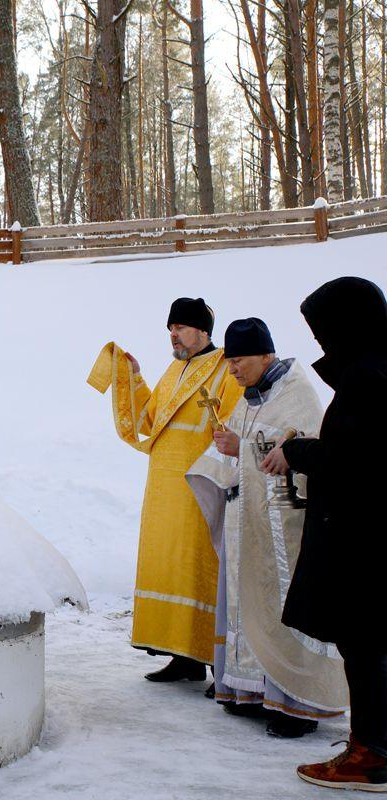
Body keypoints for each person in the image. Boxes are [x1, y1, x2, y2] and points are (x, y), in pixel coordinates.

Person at [254, 278, 387, 789]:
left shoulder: (368, 378)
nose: (320, 342)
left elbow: (354, 459)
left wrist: (298, 451)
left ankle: (371, 754)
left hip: (363, 538)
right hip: (370, 532)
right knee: (370, 645)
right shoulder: (375, 369)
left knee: (365, 646)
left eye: (324, 331)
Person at [186, 318, 346, 738]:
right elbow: (242, 448)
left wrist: (243, 449)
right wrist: (226, 453)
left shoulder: (297, 394)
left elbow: (310, 453)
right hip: (248, 525)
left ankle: (297, 704)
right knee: (248, 605)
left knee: (282, 608)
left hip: (285, 530)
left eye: (239, 361)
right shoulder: (249, 399)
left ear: (266, 355)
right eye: (229, 362)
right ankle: (252, 690)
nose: (233, 370)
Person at [87, 297, 241, 683]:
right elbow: (150, 420)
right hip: (163, 488)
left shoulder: (224, 368)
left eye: (181, 327)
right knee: (171, 568)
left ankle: (217, 664)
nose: (173, 334)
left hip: (200, 484)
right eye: (170, 328)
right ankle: (183, 657)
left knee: (200, 568)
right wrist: (134, 377)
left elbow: (234, 423)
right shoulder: (175, 370)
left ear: (202, 330)